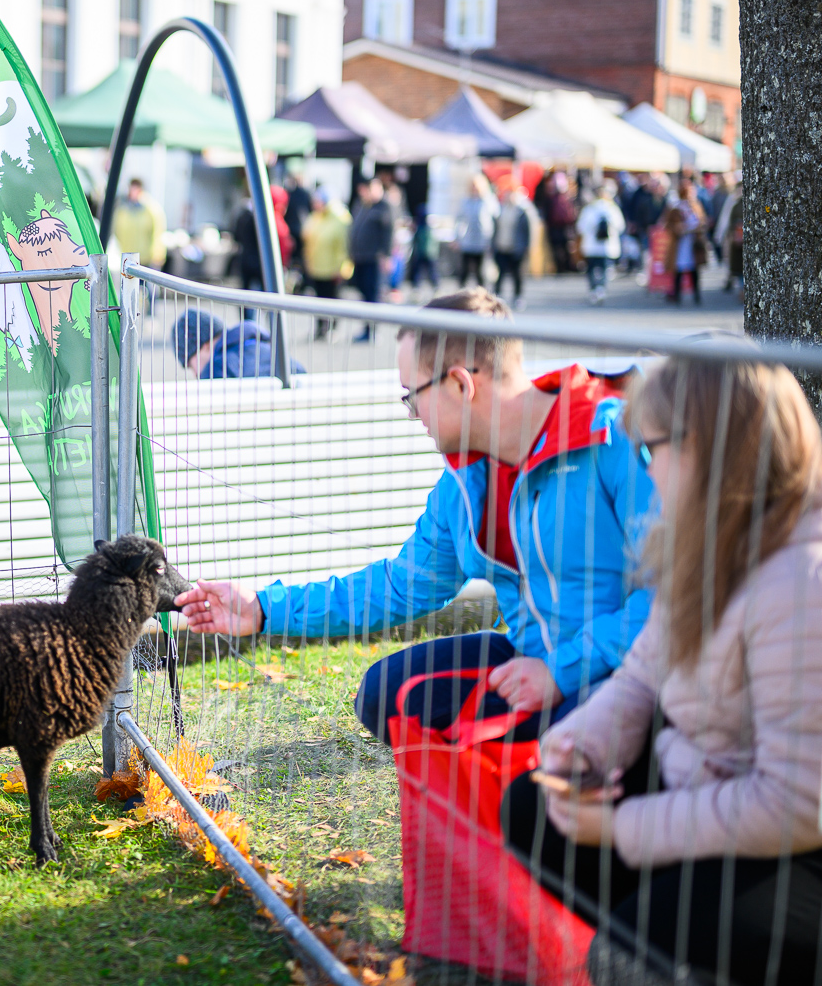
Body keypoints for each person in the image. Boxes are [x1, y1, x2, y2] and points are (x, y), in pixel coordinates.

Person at [176, 289, 657, 745]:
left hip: (630, 674)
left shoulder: (613, 438)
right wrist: (262, 608)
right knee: (388, 694)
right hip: (534, 663)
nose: (412, 414)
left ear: (460, 384)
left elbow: (674, 599)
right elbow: (402, 587)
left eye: (413, 394)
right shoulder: (463, 483)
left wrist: (560, 672)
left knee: (555, 773)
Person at [503, 352, 822, 986]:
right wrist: (580, 742)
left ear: (712, 447)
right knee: (534, 811)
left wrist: (625, 827)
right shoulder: (705, 540)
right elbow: (642, 677)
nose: (645, 474)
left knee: (624, 956)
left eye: (650, 453)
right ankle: (668, 932)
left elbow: (797, 803)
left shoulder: (800, 579)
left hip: (796, 847)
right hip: (709, 788)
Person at [170, 308, 301, 380]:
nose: (195, 374)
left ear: (204, 346)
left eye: (190, 365)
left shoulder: (216, 370)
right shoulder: (270, 349)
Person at [346, 178, 393, 343]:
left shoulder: (384, 207)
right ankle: (367, 328)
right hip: (360, 257)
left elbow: (388, 233)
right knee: (363, 293)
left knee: (372, 295)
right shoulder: (363, 206)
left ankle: (371, 330)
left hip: (373, 259)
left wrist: (386, 256)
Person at [301, 189, 351, 341]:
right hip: (316, 266)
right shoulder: (316, 216)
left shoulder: (340, 218)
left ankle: (333, 328)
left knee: (332, 299)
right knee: (318, 299)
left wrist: (343, 268)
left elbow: (344, 246)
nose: (315, 205)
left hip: (332, 268)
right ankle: (320, 328)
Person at [576, 181, 625, 305]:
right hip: (607, 247)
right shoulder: (613, 208)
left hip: (591, 246)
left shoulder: (589, 208)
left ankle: (593, 289)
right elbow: (620, 227)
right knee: (604, 269)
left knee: (591, 269)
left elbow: (580, 227)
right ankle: (601, 288)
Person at [662, 179, 706, 305]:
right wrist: (678, 228)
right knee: (679, 269)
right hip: (680, 243)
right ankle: (676, 295)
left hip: (693, 241)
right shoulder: (675, 208)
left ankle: (696, 295)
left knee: (694, 270)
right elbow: (668, 225)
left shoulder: (696, 206)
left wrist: (697, 228)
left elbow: (702, 221)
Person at [111, 178, 167, 272]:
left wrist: (157, 255)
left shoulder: (151, 209)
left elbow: (158, 233)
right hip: (127, 258)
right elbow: (116, 230)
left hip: (146, 259)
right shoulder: (122, 209)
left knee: (145, 285)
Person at [492, 183, 534, 309]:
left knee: (517, 275)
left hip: (516, 248)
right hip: (502, 246)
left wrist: (526, 248)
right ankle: (497, 296)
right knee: (501, 274)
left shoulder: (521, 212)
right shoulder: (500, 210)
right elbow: (495, 229)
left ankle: (518, 297)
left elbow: (527, 232)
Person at [454, 175, 499, 289]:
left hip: (483, 241)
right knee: (464, 269)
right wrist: (457, 237)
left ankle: (481, 293)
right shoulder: (466, 201)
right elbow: (459, 219)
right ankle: (461, 293)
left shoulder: (488, 201)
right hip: (468, 240)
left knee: (480, 271)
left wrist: (493, 240)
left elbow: (496, 219)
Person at [404, 203, 439, 301]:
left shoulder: (422, 227)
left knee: (428, 272)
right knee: (423, 272)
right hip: (427, 253)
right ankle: (421, 289)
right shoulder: (428, 227)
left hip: (424, 253)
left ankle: (431, 288)